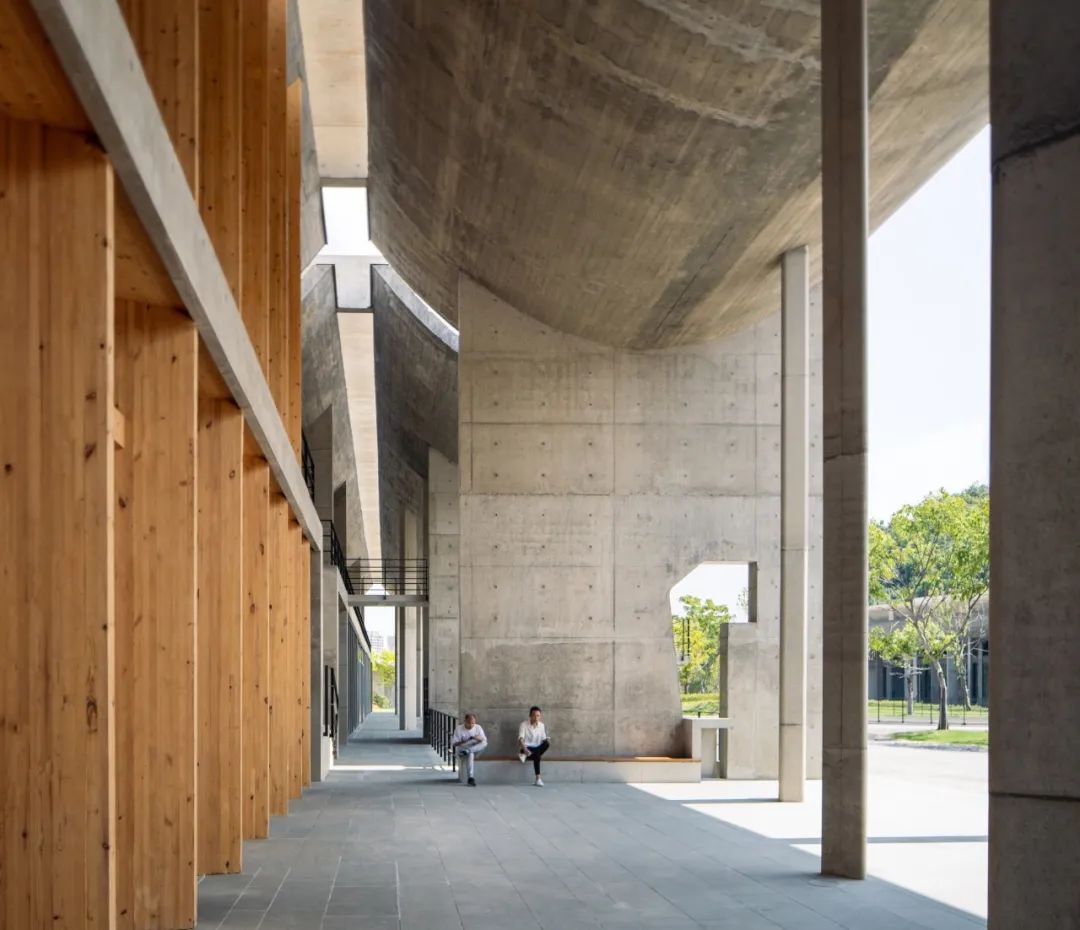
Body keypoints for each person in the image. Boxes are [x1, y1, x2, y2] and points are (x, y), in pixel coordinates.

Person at [517, 706, 550, 786]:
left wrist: (546, 739)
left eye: (538, 716)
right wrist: (525, 749)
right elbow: (520, 739)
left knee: (547, 744)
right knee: (537, 756)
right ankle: (538, 779)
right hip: (526, 748)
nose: (536, 718)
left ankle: (524, 755)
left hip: (536, 748)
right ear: (530, 716)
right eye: (534, 715)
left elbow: (543, 739)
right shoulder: (523, 724)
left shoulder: (541, 725)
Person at [450, 713, 487, 786]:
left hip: (475, 748)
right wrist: (465, 741)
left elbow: (483, 739)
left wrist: (475, 737)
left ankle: (468, 751)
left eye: (473, 723)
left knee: (484, 743)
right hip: (462, 748)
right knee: (470, 754)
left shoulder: (478, 727)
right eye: (469, 723)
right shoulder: (459, 729)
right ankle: (470, 777)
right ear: (465, 721)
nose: (471, 725)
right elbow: (454, 744)